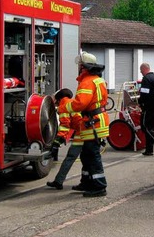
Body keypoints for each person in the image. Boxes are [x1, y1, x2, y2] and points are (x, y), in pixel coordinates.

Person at [63, 52, 109, 197]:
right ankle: (87, 181)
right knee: (86, 154)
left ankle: (99, 186)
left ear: (85, 67)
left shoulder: (87, 82)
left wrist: (64, 107)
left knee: (92, 155)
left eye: (80, 66)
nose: (79, 68)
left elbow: (80, 104)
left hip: (93, 123)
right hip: (94, 121)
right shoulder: (96, 80)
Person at [46, 88, 83, 190]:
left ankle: (59, 181)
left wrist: (57, 142)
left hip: (83, 133)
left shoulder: (64, 106)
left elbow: (65, 126)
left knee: (70, 157)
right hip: (87, 131)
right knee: (87, 158)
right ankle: (87, 181)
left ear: (59, 98)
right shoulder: (71, 102)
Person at [138, 63, 154, 156]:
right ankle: (149, 150)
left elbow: (144, 94)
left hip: (148, 107)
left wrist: (140, 102)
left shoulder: (146, 79)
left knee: (145, 126)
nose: (140, 72)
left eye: (140, 70)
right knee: (151, 127)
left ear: (144, 69)